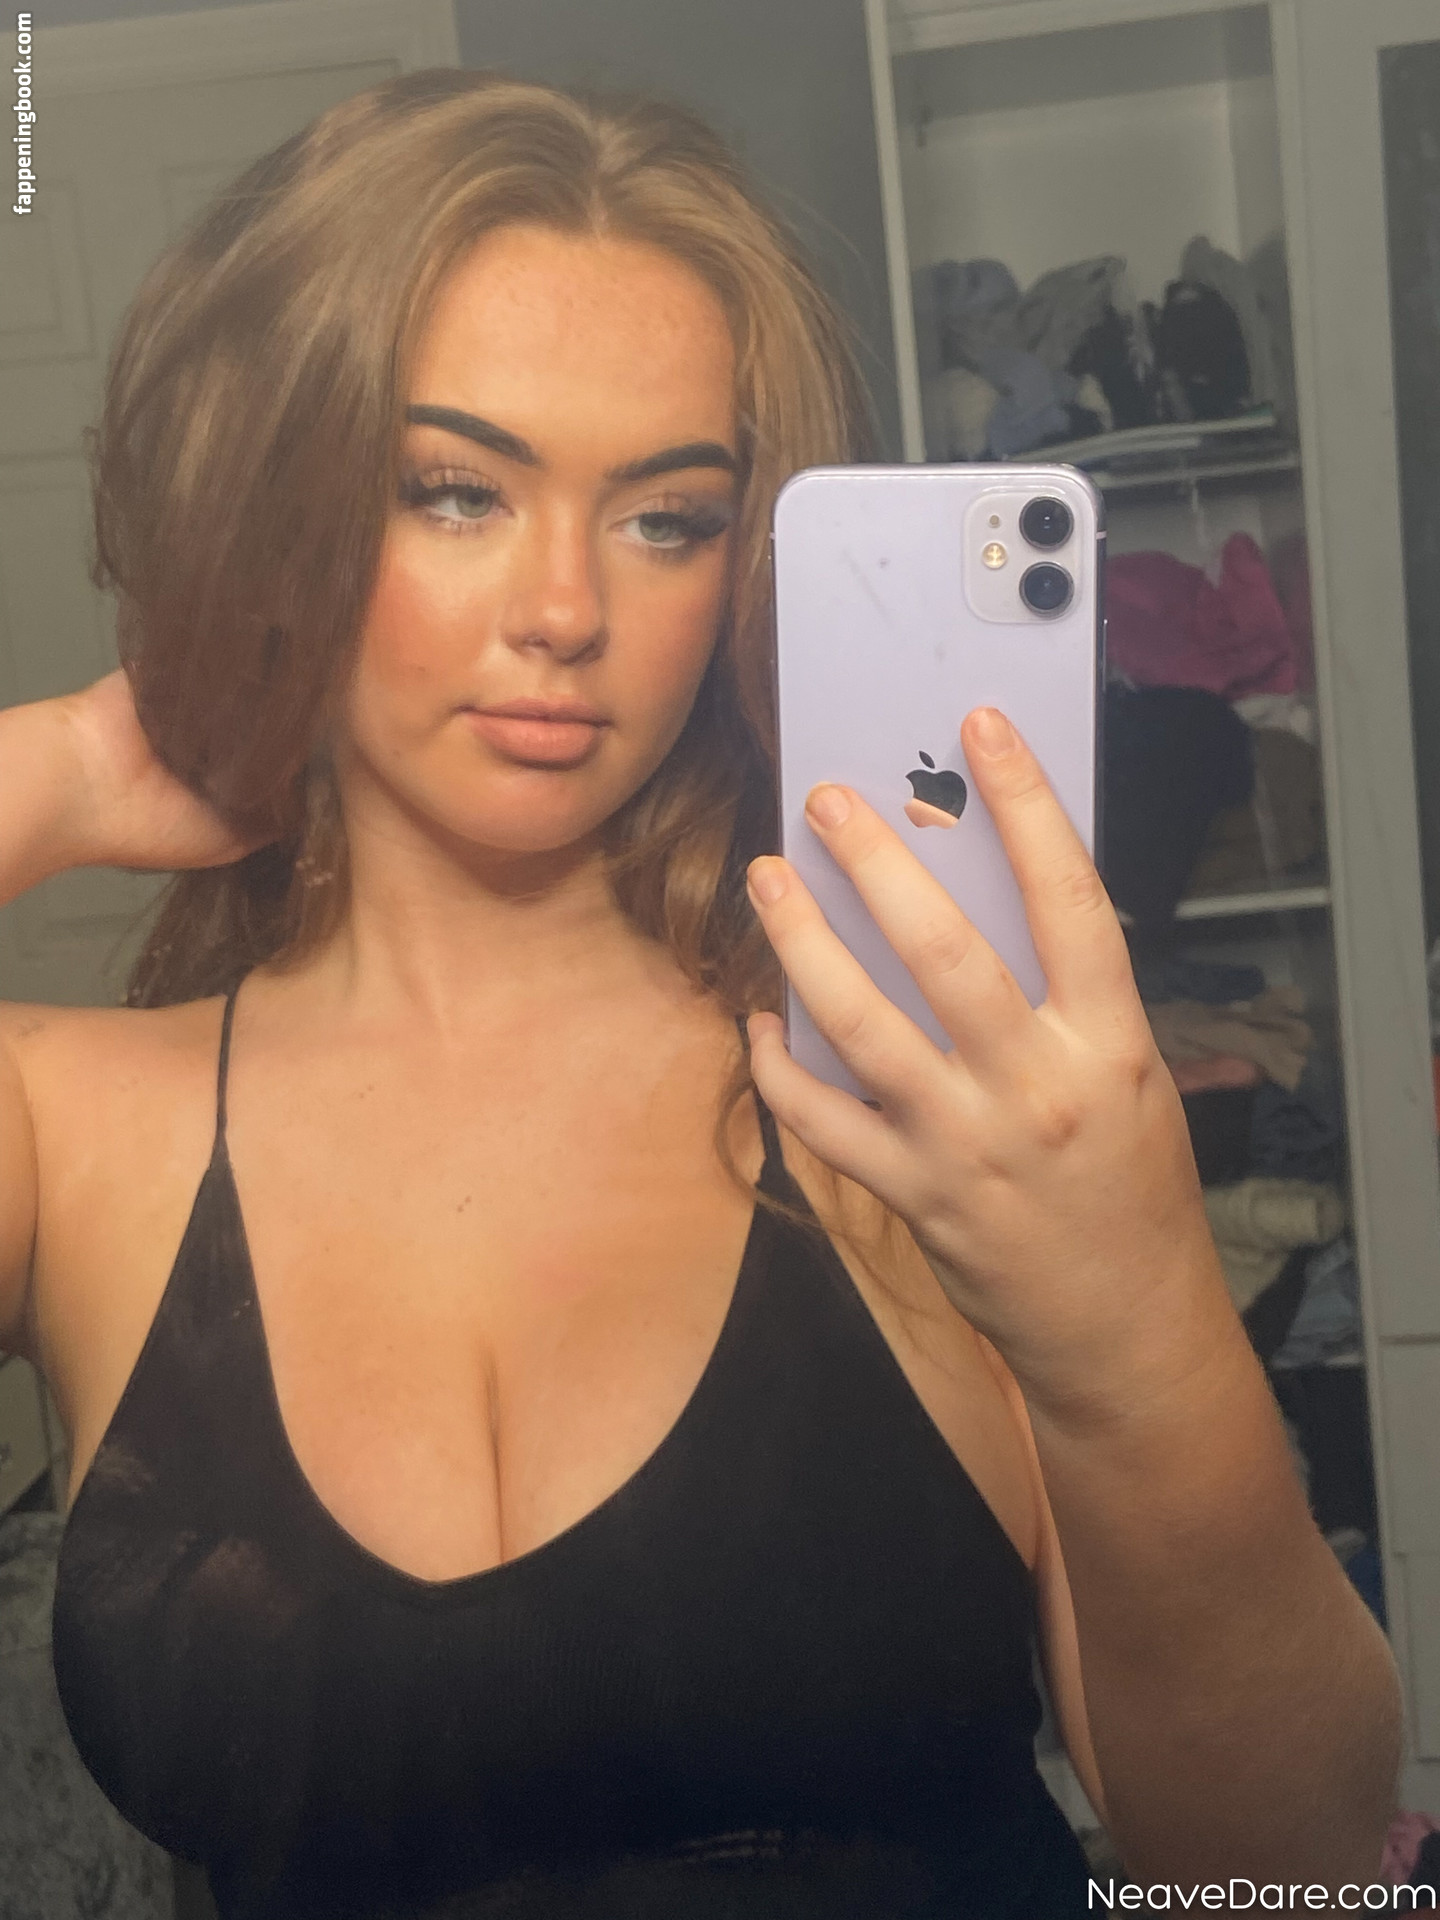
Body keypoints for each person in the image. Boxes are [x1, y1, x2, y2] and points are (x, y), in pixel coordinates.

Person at [0, 68, 1399, 1919]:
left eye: (667, 517)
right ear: (278, 504)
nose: (566, 609)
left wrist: (1139, 1309)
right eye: (453, 491)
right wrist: (58, 775)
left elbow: (1289, 1872)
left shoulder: (903, 1088)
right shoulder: (68, 1124)